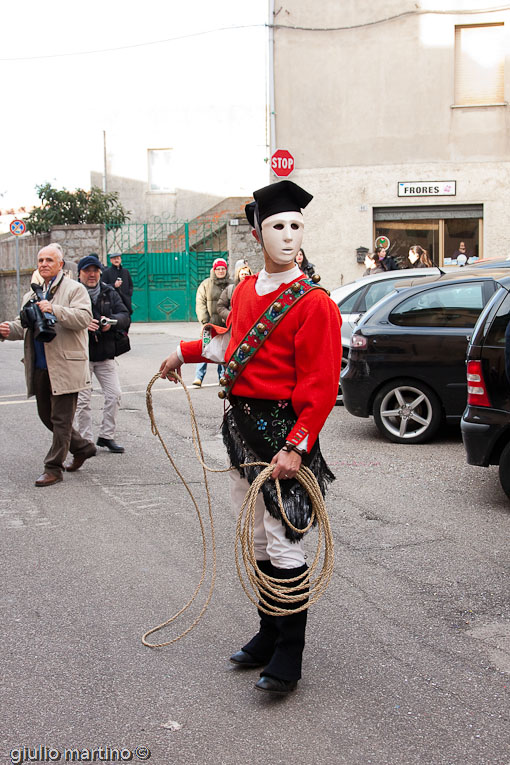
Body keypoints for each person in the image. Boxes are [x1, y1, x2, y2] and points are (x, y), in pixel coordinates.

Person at [159, 180, 342, 695]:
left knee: (285, 540)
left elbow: (322, 386)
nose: (288, 236)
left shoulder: (315, 305)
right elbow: (233, 345)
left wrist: (297, 445)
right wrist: (182, 350)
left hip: (285, 437)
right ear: (258, 233)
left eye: (296, 227)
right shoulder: (241, 290)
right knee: (257, 536)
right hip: (240, 433)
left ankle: (289, 653)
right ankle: (266, 634)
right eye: (277, 226)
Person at [0, 245, 96, 487]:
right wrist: (6, 330)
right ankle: (82, 447)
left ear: (60, 264)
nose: (43, 264)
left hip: (66, 366)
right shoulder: (31, 295)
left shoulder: (75, 290)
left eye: (49, 260)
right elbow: (22, 327)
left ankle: (53, 468)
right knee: (46, 416)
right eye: (40, 260)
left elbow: (84, 318)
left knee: (60, 419)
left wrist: (54, 309)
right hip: (41, 367)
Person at [75, 254, 131, 454]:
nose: (92, 275)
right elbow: (63, 318)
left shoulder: (108, 292)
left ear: (99, 272)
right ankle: (85, 441)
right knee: (82, 401)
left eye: (95, 271)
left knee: (114, 394)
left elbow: (125, 315)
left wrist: (111, 322)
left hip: (105, 353)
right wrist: (82, 323)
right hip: (81, 356)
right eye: (87, 271)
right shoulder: (73, 293)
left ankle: (107, 436)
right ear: (79, 273)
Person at [192, 257, 232, 387]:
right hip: (211, 323)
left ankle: (222, 377)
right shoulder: (206, 284)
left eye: (223, 269)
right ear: (214, 270)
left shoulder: (231, 284)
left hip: (226, 323)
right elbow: (200, 303)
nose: (220, 271)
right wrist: (205, 320)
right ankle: (199, 377)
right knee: (205, 348)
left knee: (223, 350)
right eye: (218, 269)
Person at [217, 259, 253, 323]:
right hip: (233, 325)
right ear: (238, 274)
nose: (244, 276)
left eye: (246, 274)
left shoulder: (254, 289)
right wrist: (231, 316)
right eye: (242, 274)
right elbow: (220, 307)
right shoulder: (230, 289)